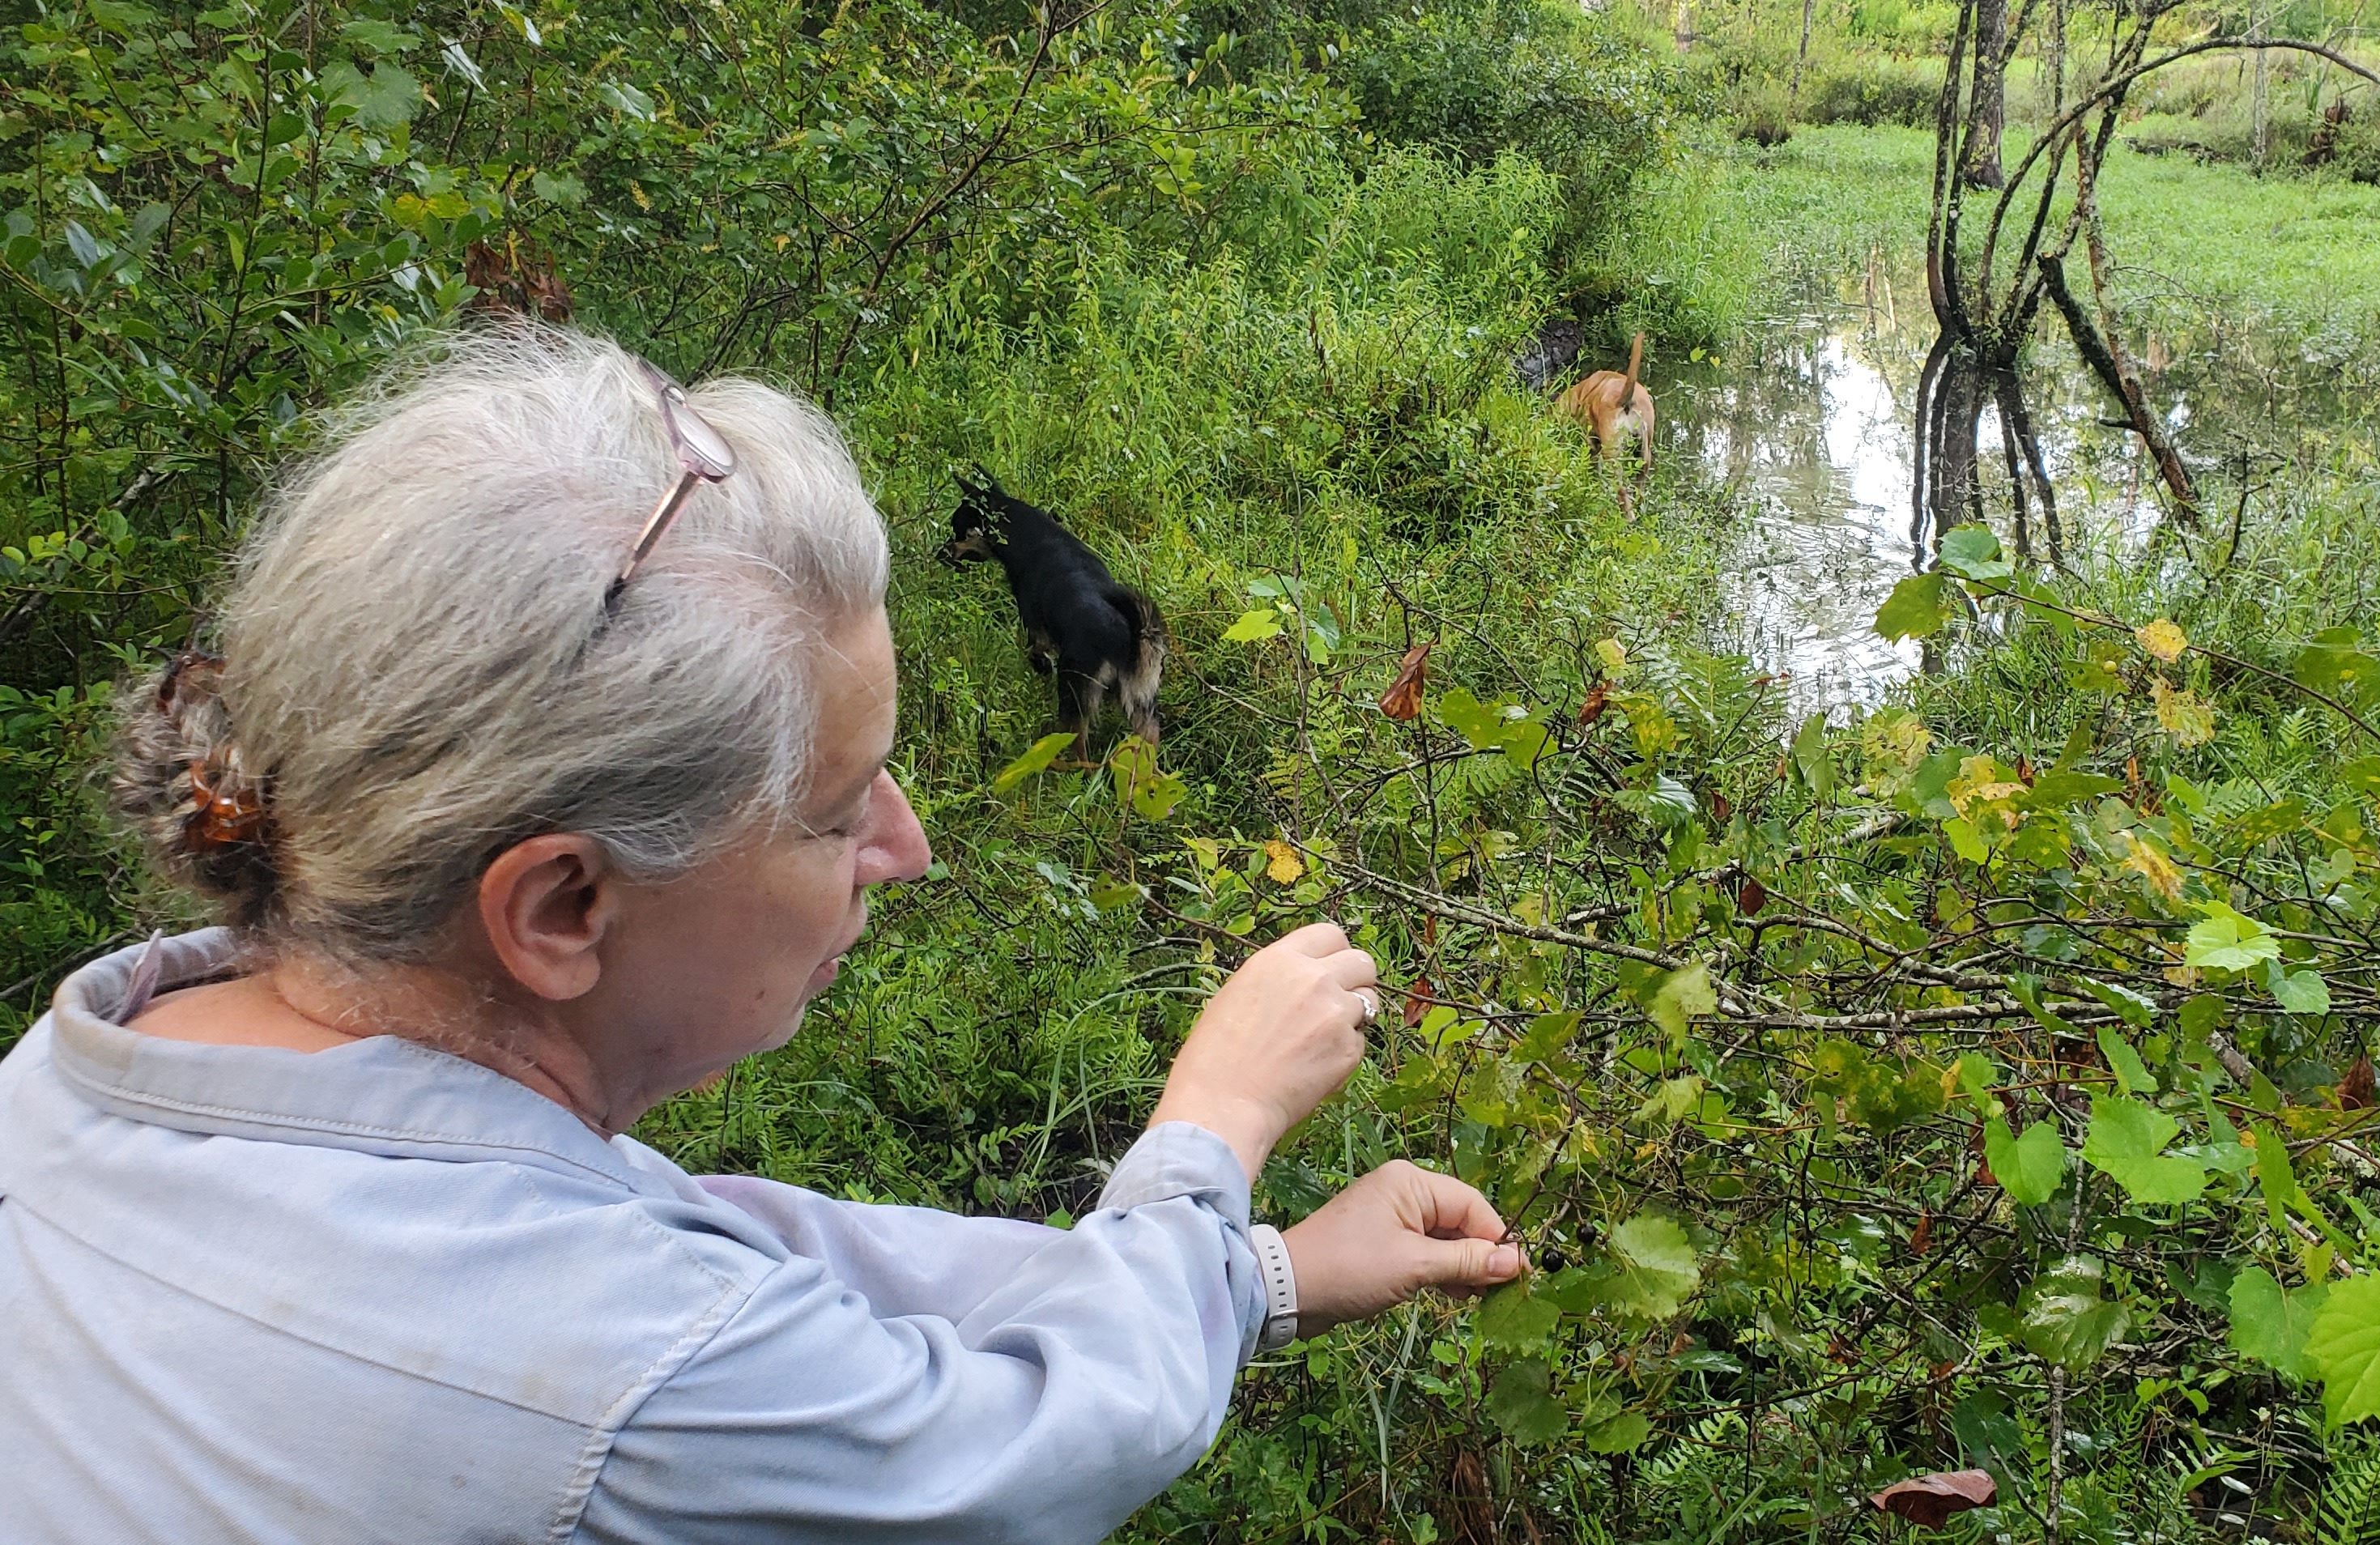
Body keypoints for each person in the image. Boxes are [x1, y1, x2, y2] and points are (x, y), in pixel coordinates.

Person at [0, 327, 1520, 1543]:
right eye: (840, 804)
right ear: (562, 906)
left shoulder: (86, 1075)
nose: (907, 850)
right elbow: (1015, 1456)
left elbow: (766, 1251)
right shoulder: (610, 1369)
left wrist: (1255, 1274)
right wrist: (1216, 1124)